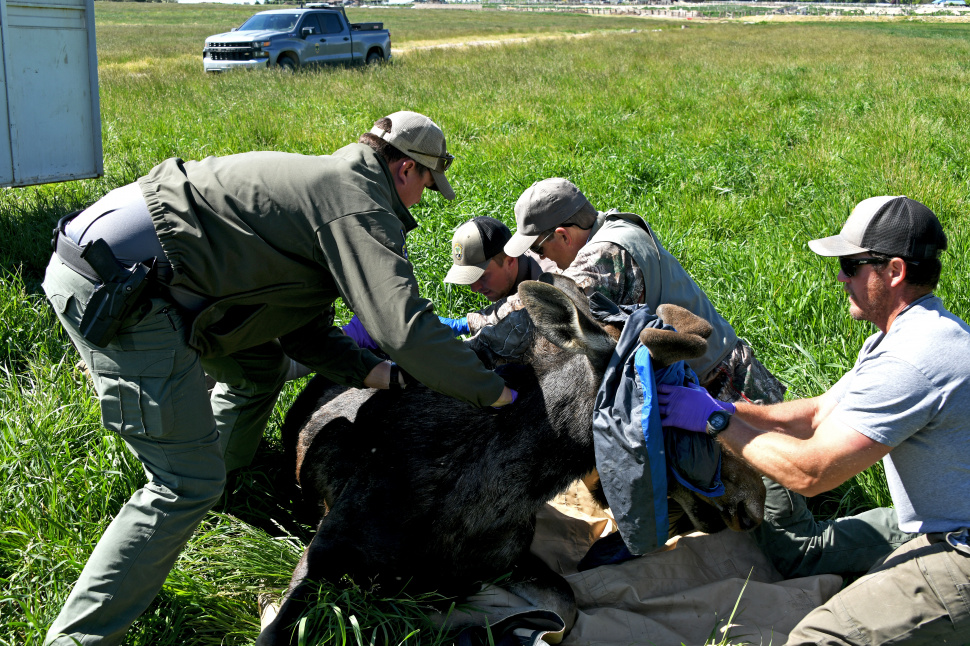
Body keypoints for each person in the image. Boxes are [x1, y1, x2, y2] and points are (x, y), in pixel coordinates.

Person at [42, 110, 515, 646]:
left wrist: (378, 375)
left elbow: (298, 327)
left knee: (257, 368)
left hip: (134, 264)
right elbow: (403, 328)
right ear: (406, 169)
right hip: (122, 292)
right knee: (181, 482)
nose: (424, 198)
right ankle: (77, 639)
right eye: (428, 183)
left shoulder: (332, 186)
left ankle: (222, 482)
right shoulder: (356, 202)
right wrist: (493, 392)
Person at [657, 196, 970, 645]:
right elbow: (817, 413)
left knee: (820, 637)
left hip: (961, 549)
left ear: (895, 272)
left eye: (850, 264)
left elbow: (813, 472)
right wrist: (723, 408)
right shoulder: (910, 335)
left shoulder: (912, 359)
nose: (841, 277)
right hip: (941, 522)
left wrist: (715, 425)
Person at [501, 177, 785, 404]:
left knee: (780, 470)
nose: (544, 259)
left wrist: (474, 324)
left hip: (726, 388)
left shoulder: (604, 255)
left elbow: (534, 312)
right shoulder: (612, 226)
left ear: (563, 235)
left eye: (539, 249)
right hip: (719, 375)